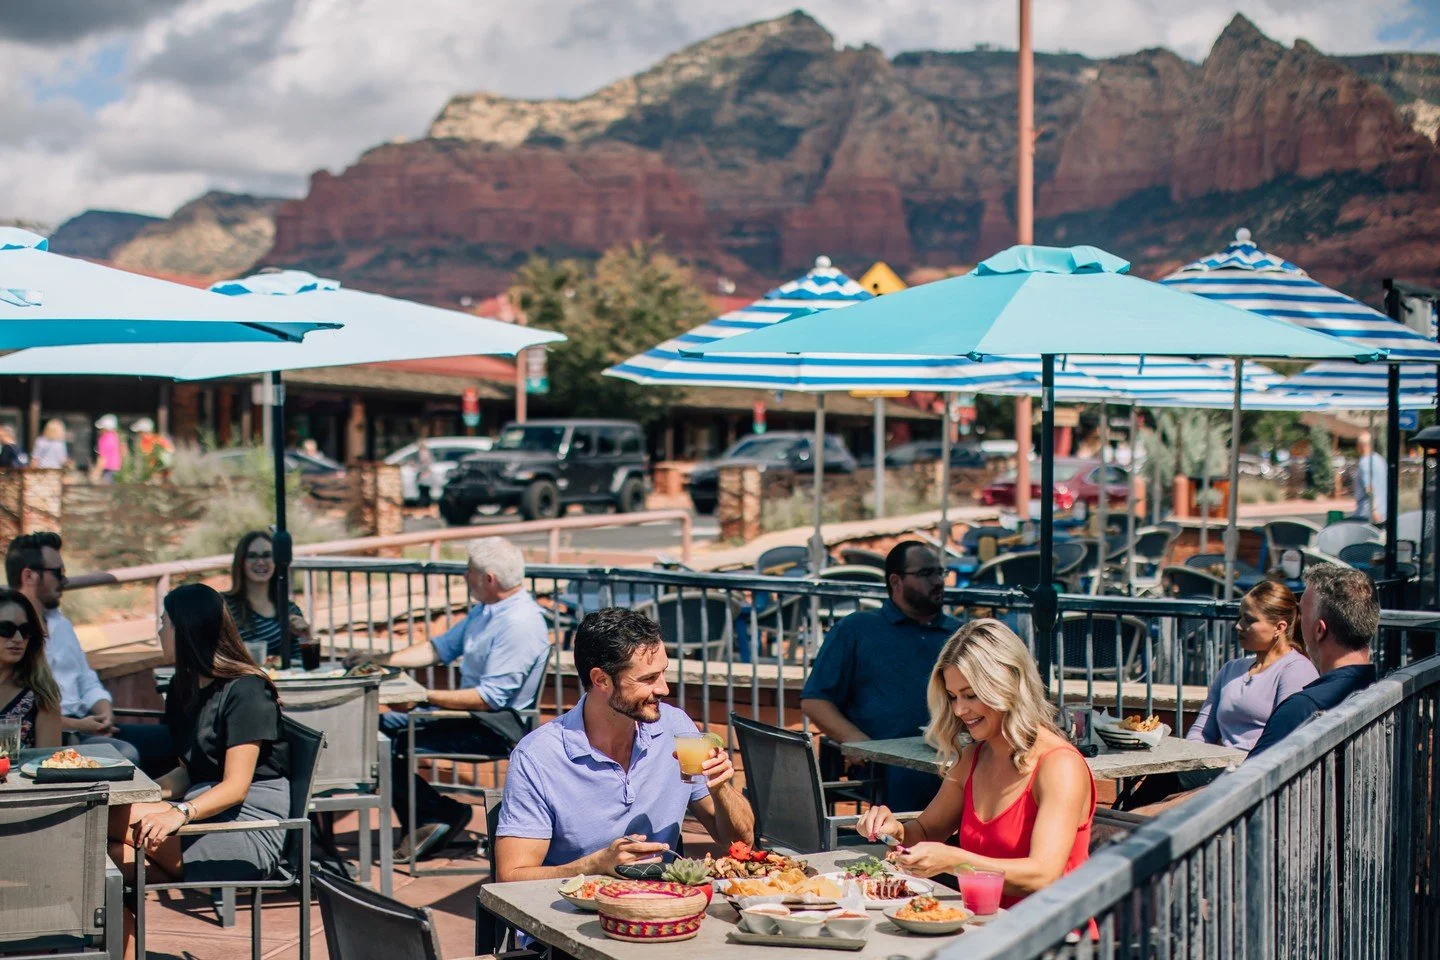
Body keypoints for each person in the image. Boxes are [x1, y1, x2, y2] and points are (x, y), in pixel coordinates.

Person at [494, 607, 754, 881]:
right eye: (648, 678)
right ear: (601, 680)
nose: (664, 688)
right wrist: (593, 866)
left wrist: (721, 789)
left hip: (661, 907)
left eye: (663, 672)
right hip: (569, 913)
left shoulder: (676, 727)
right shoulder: (538, 756)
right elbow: (510, 878)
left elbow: (740, 841)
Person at [855, 619, 1095, 910]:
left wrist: (955, 861)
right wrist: (893, 829)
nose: (959, 710)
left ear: (1007, 685)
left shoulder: (1059, 766)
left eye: (970, 695)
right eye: (953, 697)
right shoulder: (973, 757)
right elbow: (927, 831)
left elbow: (1043, 874)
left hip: (1053, 940)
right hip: (983, 929)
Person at [107, 584, 290, 960]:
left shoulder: (247, 690)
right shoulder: (184, 686)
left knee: (101, 819)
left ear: (186, 629)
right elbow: (187, 772)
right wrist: (145, 795)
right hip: (203, 806)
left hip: (248, 826)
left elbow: (236, 787)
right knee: (108, 856)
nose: (159, 632)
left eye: (164, 623)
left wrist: (178, 813)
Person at [363, 537, 551, 860]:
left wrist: (422, 695)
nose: (464, 577)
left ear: (488, 579)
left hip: (494, 727)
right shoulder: (488, 611)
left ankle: (437, 815)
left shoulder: (519, 623)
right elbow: (438, 648)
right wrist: (383, 659)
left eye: (469, 571)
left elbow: (490, 699)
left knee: (378, 736)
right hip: (469, 717)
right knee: (374, 731)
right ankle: (433, 815)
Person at [1126, 581, 1318, 811]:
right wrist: (1191, 761)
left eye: (1250, 620)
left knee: (1163, 785)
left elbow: (1283, 741)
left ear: (1279, 627)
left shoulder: (1295, 670)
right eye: (1240, 618)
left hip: (1252, 774)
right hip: (1216, 768)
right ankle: (1122, 822)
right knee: (1163, 775)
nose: (1239, 626)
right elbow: (1202, 731)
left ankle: (1122, 825)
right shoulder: (1231, 669)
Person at [800, 540, 961, 812]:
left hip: (956, 752)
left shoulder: (960, 635)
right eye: (925, 574)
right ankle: (910, 846)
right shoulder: (858, 629)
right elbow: (815, 700)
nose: (937, 581)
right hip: (885, 764)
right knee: (912, 775)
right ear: (896, 581)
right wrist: (857, 742)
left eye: (939, 573)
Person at [6, 532, 171, 770]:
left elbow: (87, 679)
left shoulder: (61, 624)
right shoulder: (11, 641)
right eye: (58, 573)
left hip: (90, 724)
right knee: (126, 754)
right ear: (29, 575)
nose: (64, 581)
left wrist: (105, 712)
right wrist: (82, 725)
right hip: (60, 734)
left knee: (171, 739)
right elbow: (18, 713)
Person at [1248, 563, 1378, 757]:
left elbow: (1245, 783)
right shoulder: (1389, 691)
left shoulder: (1302, 708)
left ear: (1319, 630)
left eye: (1302, 614)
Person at [224, 531, 311, 663]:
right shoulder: (223, 606)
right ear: (241, 562)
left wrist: (306, 638)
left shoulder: (290, 610)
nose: (260, 562)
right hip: (240, 681)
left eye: (267, 555)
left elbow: (301, 663)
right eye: (252, 556)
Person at [0, 586, 60, 749]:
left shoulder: (41, 693)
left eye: (25, 631)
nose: (18, 638)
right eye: (7, 629)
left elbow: (48, 763)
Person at [1352, 432, 1386, 525]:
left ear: (1361, 446)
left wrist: (1374, 509)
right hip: (1383, 510)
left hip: (1367, 512)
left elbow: (1369, 488)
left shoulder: (1365, 462)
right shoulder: (1380, 460)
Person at [95, 414, 124, 481]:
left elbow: (102, 458)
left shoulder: (104, 439)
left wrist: (96, 472)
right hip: (117, 470)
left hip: (108, 471)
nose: (100, 430)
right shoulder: (116, 437)